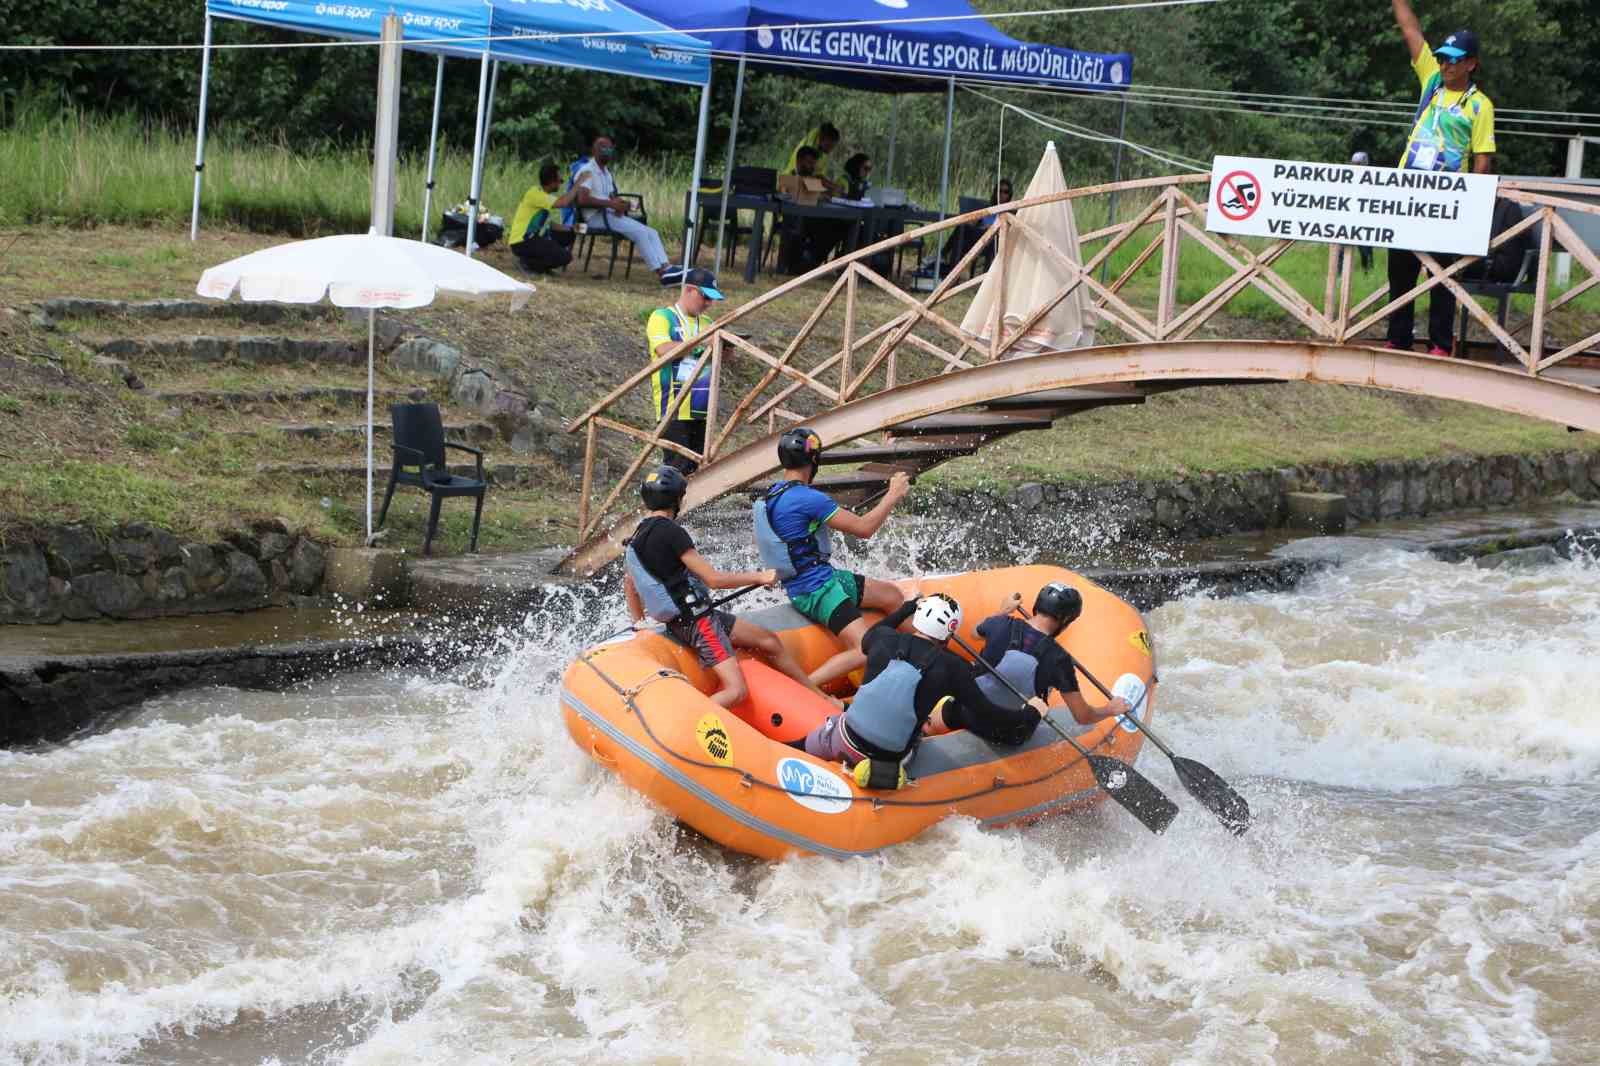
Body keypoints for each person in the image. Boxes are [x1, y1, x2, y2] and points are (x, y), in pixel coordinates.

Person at [624, 465, 838, 710]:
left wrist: (639, 624)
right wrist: (759, 577)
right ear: (677, 499)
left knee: (768, 641)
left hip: (694, 618)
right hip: (697, 623)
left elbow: (630, 583)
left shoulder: (638, 534)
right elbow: (713, 579)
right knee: (736, 691)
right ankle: (684, 717)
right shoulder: (671, 532)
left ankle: (816, 696)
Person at [801, 593, 1048, 785]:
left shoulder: (883, 638)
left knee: (802, 744)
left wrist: (906, 608)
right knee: (921, 727)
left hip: (842, 739)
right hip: (891, 759)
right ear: (950, 632)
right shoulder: (955, 667)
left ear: (916, 618)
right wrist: (1031, 713)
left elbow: (869, 637)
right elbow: (989, 713)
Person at [752, 427, 914, 688]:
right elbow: (863, 529)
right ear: (814, 461)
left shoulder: (772, 494)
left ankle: (920, 659)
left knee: (892, 596)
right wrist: (892, 495)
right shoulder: (807, 498)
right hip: (816, 591)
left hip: (823, 579)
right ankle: (805, 687)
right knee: (864, 647)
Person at [1384, 2, 1495, 357]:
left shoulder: (1480, 105)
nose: (1446, 65)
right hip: (1408, 192)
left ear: (1471, 64)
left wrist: (1470, 204)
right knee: (1401, 269)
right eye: (1444, 58)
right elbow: (1411, 32)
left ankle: (1439, 344)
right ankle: (1398, 338)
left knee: (1442, 274)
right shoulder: (1431, 81)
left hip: (1448, 199)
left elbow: (1482, 158)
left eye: (1454, 60)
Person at [972, 584, 1131, 730]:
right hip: (1007, 730)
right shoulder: (1059, 659)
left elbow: (975, 634)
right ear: (1065, 620)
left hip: (967, 708)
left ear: (1037, 606)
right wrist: (1110, 709)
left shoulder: (999, 623)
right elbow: (1083, 716)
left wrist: (1002, 612)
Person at [644, 268, 724, 473]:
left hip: (702, 408)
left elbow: (720, 358)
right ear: (689, 290)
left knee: (698, 471)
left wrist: (726, 349)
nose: (708, 304)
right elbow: (664, 350)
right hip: (673, 407)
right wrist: (700, 343)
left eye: (712, 299)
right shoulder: (662, 316)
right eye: (705, 297)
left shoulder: (707, 322)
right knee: (677, 469)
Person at [572, 135, 678, 281]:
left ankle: (667, 267)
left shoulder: (606, 173)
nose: (607, 152)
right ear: (595, 150)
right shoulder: (587, 171)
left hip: (608, 214)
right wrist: (611, 204)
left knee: (651, 232)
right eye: (604, 148)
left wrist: (622, 204)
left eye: (610, 149)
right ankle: (661, 273)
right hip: (594, 218)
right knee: (640, 232)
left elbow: (609, 197)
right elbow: (582, 199)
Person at [508, 162, 578, 274]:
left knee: (567, 236)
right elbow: (563, 202)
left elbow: (548, 224)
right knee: (565, 257)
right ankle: (528, 263)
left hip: (532, 239)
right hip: (522, 241)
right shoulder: (535, 194)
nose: (560, 185)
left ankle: (540, 266)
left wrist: (571, 228)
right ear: (551, 182)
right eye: (560, 181)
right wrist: (578, 184)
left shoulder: (543, 196)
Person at [782, 122, 843, 196]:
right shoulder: (809, 146)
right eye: (828, 146)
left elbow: (818, 178)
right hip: (790, 182)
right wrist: (831, 188)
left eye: (832, 147)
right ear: (822, 139)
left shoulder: (821, 150)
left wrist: (830, 188)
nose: (830, 150)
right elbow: (810, 180)